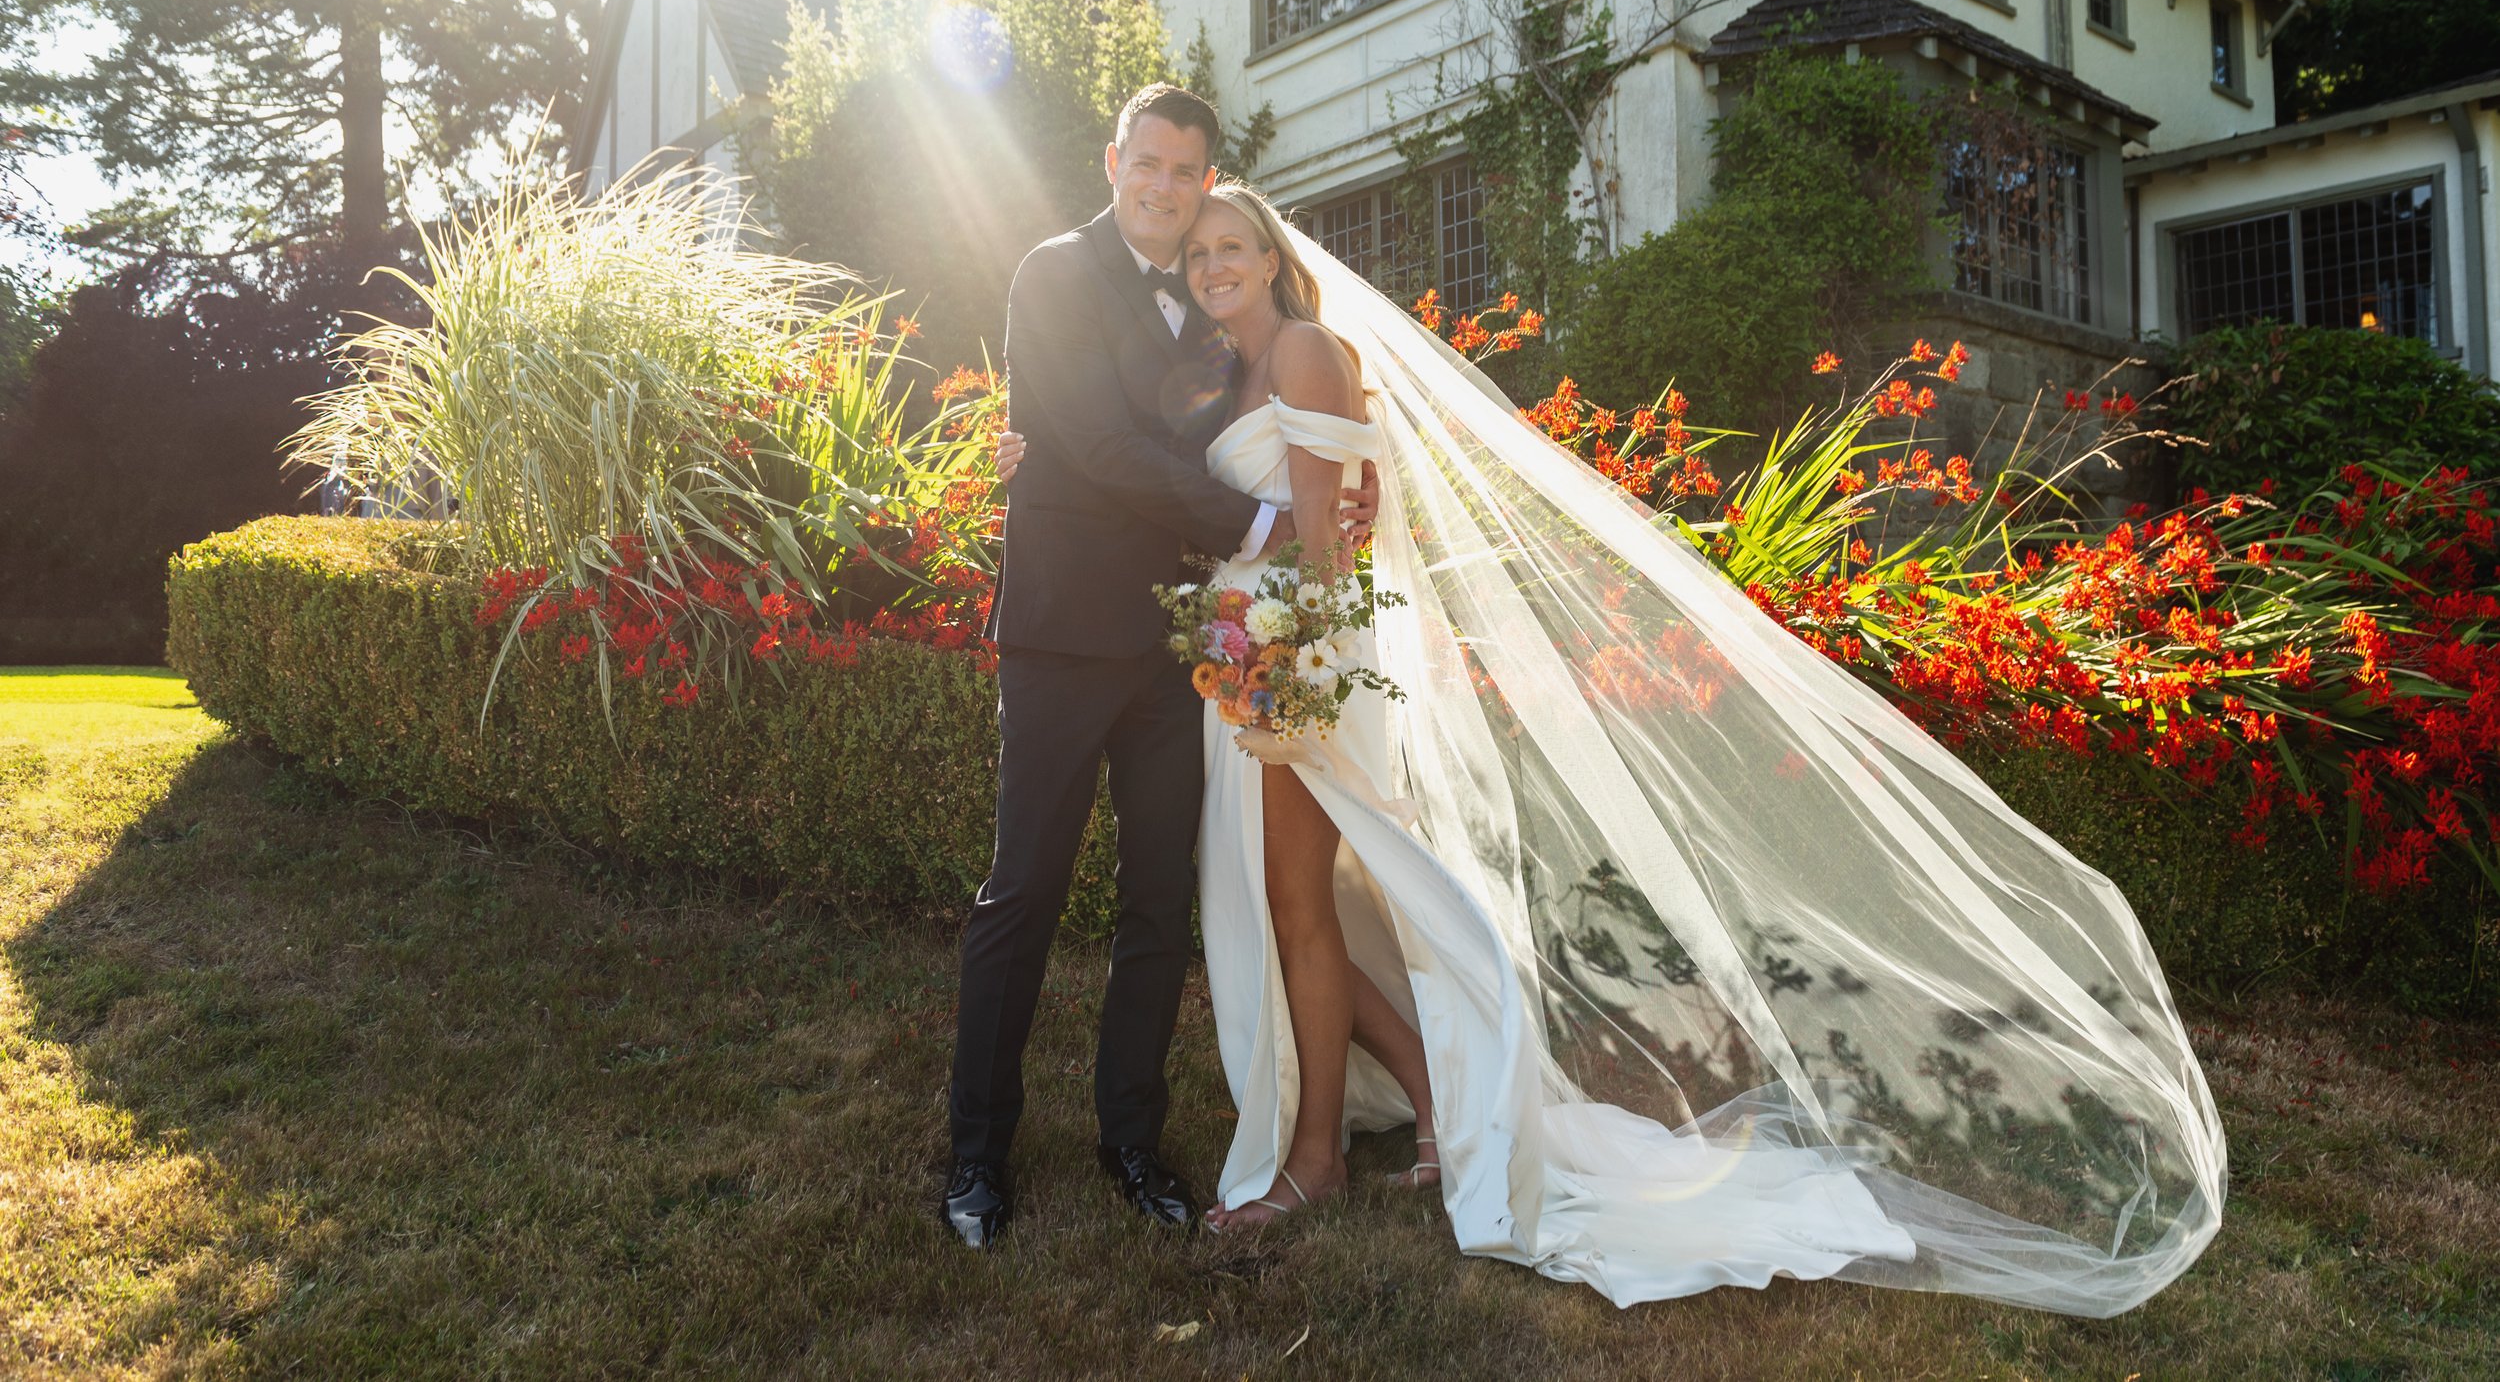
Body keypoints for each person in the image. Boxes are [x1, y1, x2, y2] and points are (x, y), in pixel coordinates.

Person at [989, 179, 2229, 1316]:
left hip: (1296, 667)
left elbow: (1330, 542)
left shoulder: (1304, 349)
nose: (1211, 263)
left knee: (1299, 909)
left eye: (1230, 244)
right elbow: (1176, 485)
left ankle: (1313, 1162)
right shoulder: (1230, 365)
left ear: (1273, 255)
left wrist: (1290, 673)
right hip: (1255, 660)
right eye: (1198, 249)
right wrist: (1042, 457)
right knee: (1292, 910)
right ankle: (1431, 1097)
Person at [941, 85, 1376, 1249]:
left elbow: (1273, 424)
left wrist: (1324, 489)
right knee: (1023, 890)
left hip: (1176, 649)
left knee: (1152, 904)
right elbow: (1087, 438)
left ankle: (1130, 1141)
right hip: (1059, 630)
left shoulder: (1209, 306)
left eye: (1188, 171)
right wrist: (1250, 524)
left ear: (1204, 179)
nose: (1167, 188)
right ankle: (976, 1155)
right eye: (1150, 164)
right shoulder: (1051, 273)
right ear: (1114, 161)